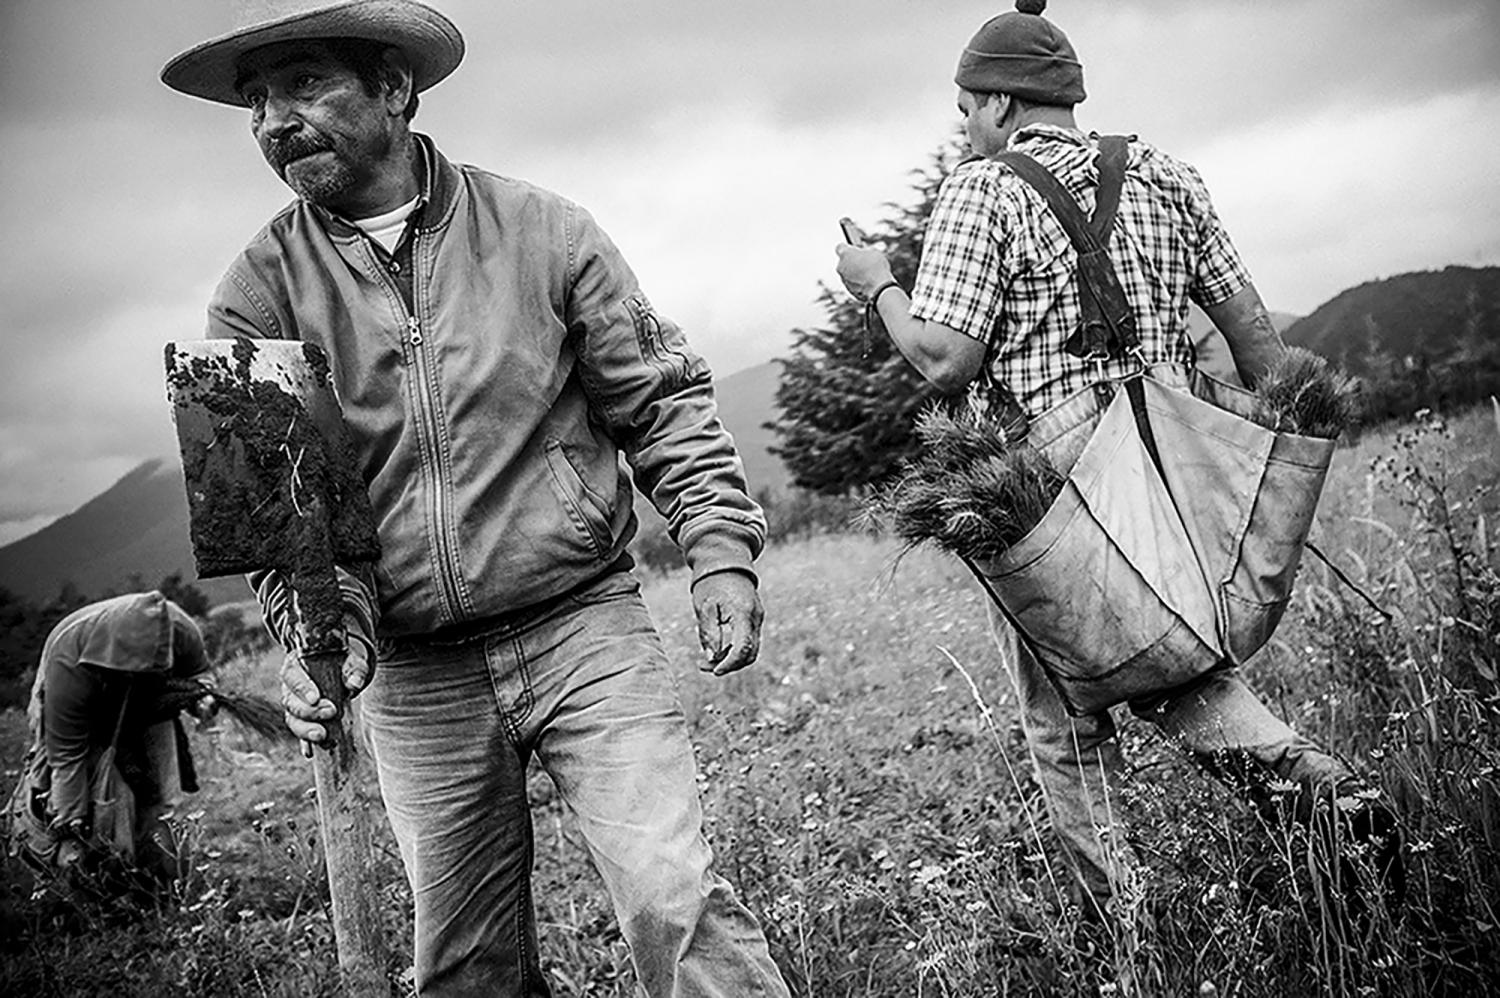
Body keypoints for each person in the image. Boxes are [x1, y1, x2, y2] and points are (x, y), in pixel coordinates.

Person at [160, 2, 789, 995]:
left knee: (673, 898)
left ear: (394, 88)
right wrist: (330, 629)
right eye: (257, 101)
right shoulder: (253, 297)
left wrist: (718, 549)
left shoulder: (545, 230)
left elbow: (661, 403)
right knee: (464, 966)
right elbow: (286, 528)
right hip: (414, 673)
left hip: (581, 624)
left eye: (305, 83)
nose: (276, 119)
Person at [835, 0, 1400, 923]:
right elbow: (1262, 351)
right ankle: (1332, 803)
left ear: (1003, 103)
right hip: (1173, 466)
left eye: (967, 108)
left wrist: (879, 288)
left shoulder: (982, 190)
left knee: (1068, 714)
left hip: (1048, 493)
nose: (964, 126)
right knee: (1182, 665)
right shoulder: (1168, 175)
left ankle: (1125, 929)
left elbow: (944, 359)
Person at [6, 591, 214, 897]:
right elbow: (67, 757)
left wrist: (202, 698)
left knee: (162, 799)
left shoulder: (181, 629)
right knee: (100, 799)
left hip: (153, 705)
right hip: (85, 707)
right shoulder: (69, 663)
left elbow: (199, 673)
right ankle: (93, 882)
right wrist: (71, 819)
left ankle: (164, 883)